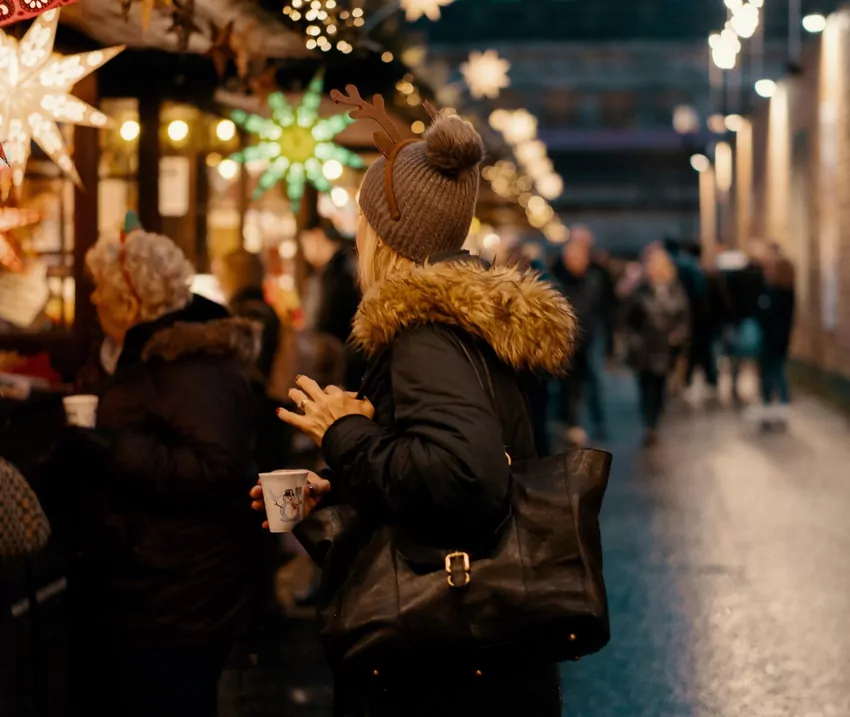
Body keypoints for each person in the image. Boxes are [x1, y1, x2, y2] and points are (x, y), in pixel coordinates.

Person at [251, 100, 575, 716]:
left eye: (363, 219)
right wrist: (340, 486)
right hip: (484, 658)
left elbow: (465, 475)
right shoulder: (465, 322)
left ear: (389, 233)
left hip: (441, 660)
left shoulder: (424, 331)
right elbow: (440, 460)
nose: (356, 233)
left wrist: (342, 430)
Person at [56, 214, 263, 717]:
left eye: (100, 288)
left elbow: (217, 468)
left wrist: (110, 449)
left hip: (176, 599)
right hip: (133, 586)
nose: (93, 299)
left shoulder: (195, 365)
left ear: (132, 299)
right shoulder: (118, 354)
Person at [623, 247, 690, 446]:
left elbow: (684, 316)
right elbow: (626, 317)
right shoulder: (640, 291)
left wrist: (679, 335)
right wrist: (634, 340)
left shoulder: (675, 289)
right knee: (646, 387)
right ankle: (649, 425)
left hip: (665, 348)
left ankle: (655, 420)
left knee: (659, 387)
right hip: (645, 348)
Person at [551, 236, 607, 445]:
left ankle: (597, 422)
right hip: (567, 340)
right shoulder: (557, 277)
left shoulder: (594, 277)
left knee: (592, 382)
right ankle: (571, 422)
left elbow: (597, 306)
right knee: (569, 385)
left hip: (589, 338)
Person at [300, 219, 364, 391]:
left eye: (305, 243)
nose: (305, 251)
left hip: (342, 361)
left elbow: (333, 319)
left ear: (317, 235)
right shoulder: (339, 267)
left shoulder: (339, 272)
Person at [752, 255, 795, 430]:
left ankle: (770, 410)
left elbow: (764, 315)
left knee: (769, 376)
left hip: (769, 340)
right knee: (778, 374)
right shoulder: (789, 292)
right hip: (781, 340)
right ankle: (782, 410)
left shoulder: (773, 292)